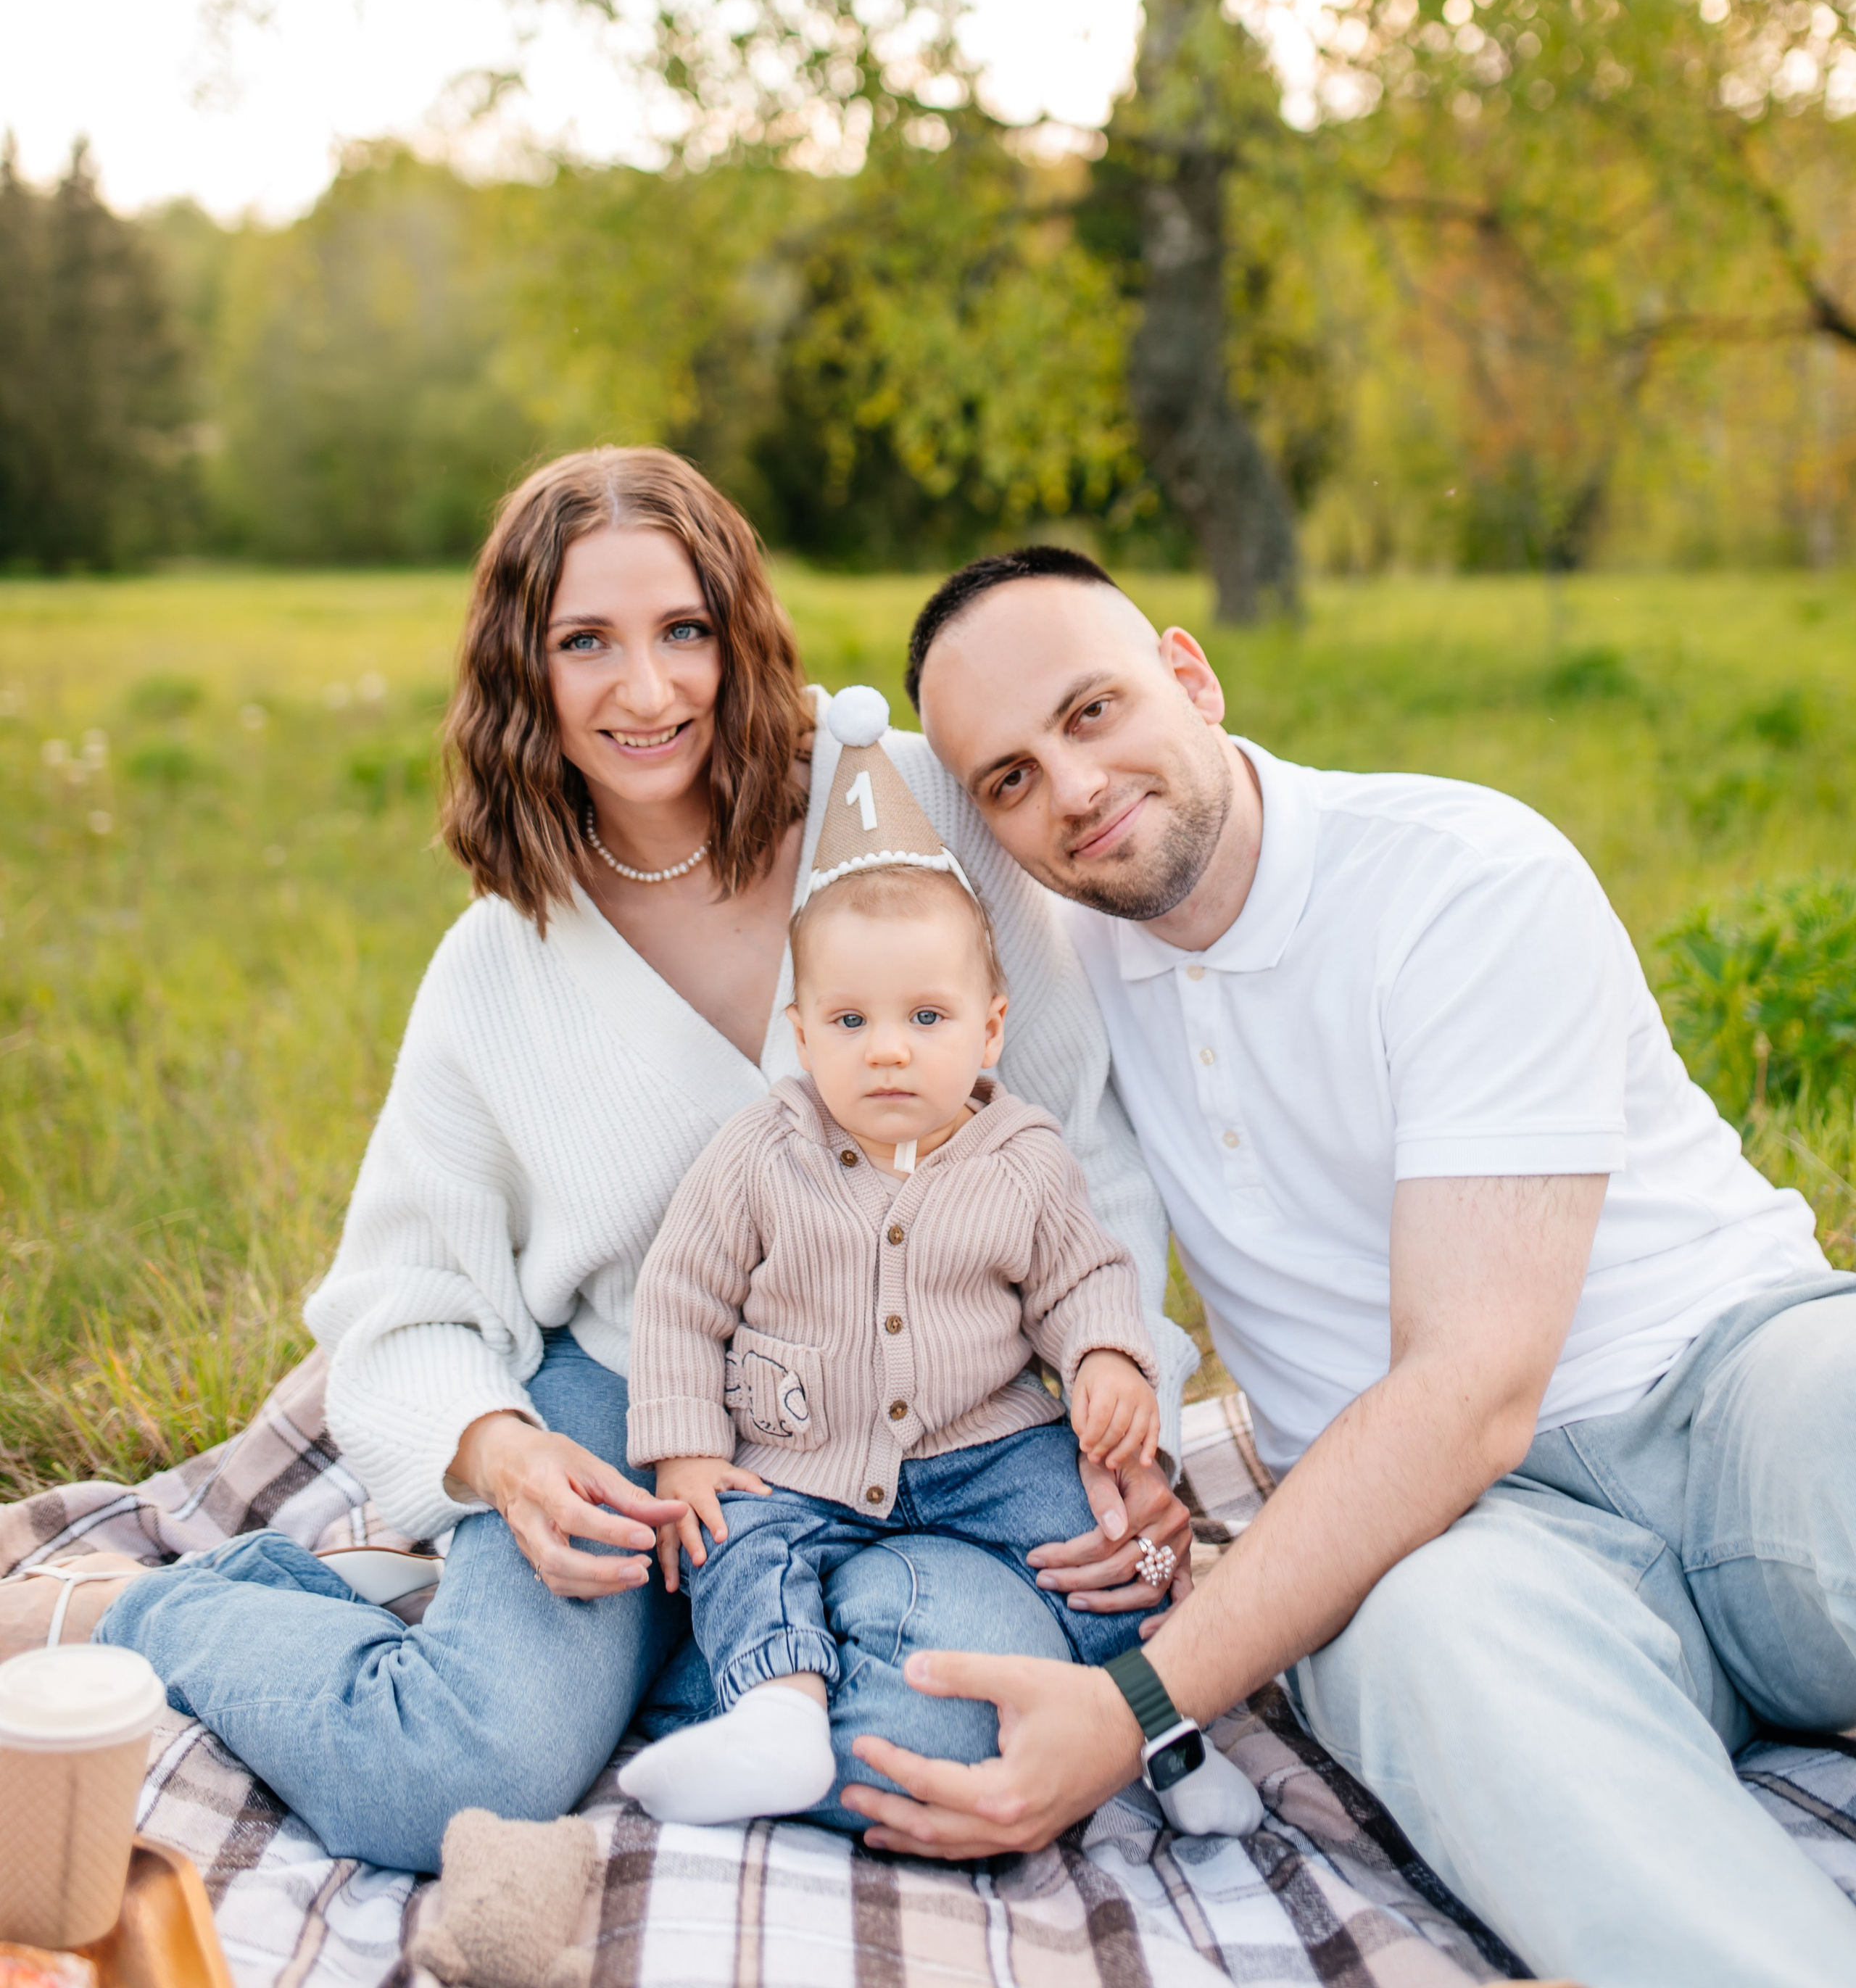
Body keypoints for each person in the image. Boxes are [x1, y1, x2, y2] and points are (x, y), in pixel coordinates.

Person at [69, 463, 1193, 1873]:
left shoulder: (905, 800)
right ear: (521, 670)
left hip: (943, 1418)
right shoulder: (500, 962)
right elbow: (399, 1301)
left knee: (947, 1754)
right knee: (448, 1782)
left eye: (683, 630)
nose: (646, 689)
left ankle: (655, 1665)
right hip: (633, 1408)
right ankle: (165, 1610)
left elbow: (1076, 1145)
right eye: (584, 641)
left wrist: (1127, 1413)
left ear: (739, 631)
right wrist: (503, 1457)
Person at [838, 545, 1856, 1988]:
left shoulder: (1457, 877)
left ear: (1189, 676)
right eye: (1007, 778)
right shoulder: (1043, 986)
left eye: (1091, 711)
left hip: (1731, 1391)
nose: (1071, 787)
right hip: (1464, 1549)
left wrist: (1134, 1707)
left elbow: (1471, 1387)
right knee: (1420, 1644)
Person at [616, 687, 1235, 1830]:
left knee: (1099, 1540)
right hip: (798, 1455)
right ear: (802, 1035)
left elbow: (1080, 1279)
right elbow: (682, 1299)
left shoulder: (1022, 1154)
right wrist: (689, 1451)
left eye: (927, 1019)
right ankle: (778, 1713)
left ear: (990, 1028)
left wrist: (1107, 1359)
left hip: (982, 1445)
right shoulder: (762, 1149)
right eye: (851, 1023)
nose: (889, 1052)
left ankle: (1164, 1730)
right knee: (735, 1543)